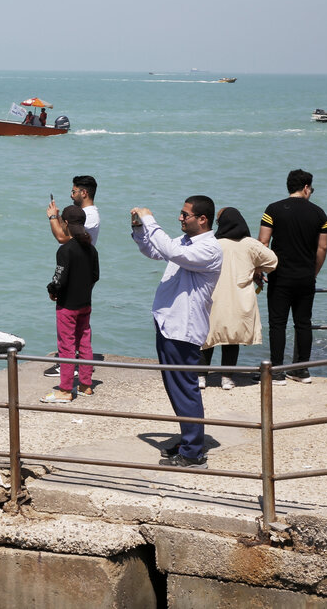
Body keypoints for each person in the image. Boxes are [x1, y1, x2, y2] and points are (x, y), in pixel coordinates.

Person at [131, 197, 222, 469]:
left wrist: (150, 219)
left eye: (186, 215)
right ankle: (188, 439)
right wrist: (139, 229)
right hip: (168, 323)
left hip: (184, 328)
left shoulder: (209, 249)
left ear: (202, 219)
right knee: (176, 388)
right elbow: (155, 251)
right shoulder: (184, 242)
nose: (181, 219)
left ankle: (193, 453)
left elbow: (170, 251)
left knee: (185, 389)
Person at [258, 169, 327, 384]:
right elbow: (322, 248)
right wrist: (313, 272)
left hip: (280, 276)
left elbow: (263, 243)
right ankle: (301, 370)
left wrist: (262, 269)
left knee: (277, 323)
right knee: (303, 322)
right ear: (306, 187)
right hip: (306, 276)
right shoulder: (320, 214)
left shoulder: (273, 210)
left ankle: (278, 372)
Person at [200, 208, 278, 390]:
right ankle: (226, 378)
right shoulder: (250, 244)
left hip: (213, 297)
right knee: (232, 339)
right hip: (238, 299)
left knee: (207, 338)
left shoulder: (213, 243)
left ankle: (200, 376)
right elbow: (273, 261)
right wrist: (257, 268)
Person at [42, 205, 100, 403]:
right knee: (84, 344)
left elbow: (59, 279)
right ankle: (86, 385)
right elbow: (95, 276)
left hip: (67, 306)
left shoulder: (65, 250)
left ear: (65, 224)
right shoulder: (91, 249)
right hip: (85, 303)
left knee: (66, 346)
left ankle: (66, 390)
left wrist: (52, 291)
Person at [47, 175, 100, 244]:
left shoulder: (90, 215)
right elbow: (67, 231)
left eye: (73, 192)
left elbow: (62, 238)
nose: (71, 196)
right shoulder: (82, 212)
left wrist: (52, 217)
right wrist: (57, 216)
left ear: (83, 193)